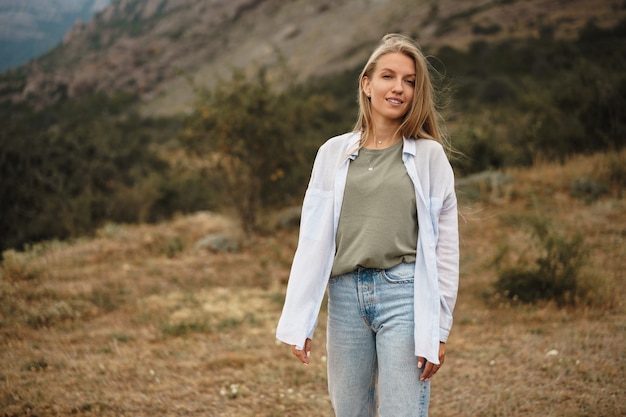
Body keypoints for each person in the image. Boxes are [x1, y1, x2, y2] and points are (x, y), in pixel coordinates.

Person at [276, 33, 459, 417]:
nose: (399, 88)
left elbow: (445, 248)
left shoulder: (429, 157)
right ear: (366, 83)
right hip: (345, 298)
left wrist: (438, 330)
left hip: (403, 296)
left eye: (410, 81)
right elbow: (311, 238)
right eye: (388, 76)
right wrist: (300, 320)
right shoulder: (332, 153)